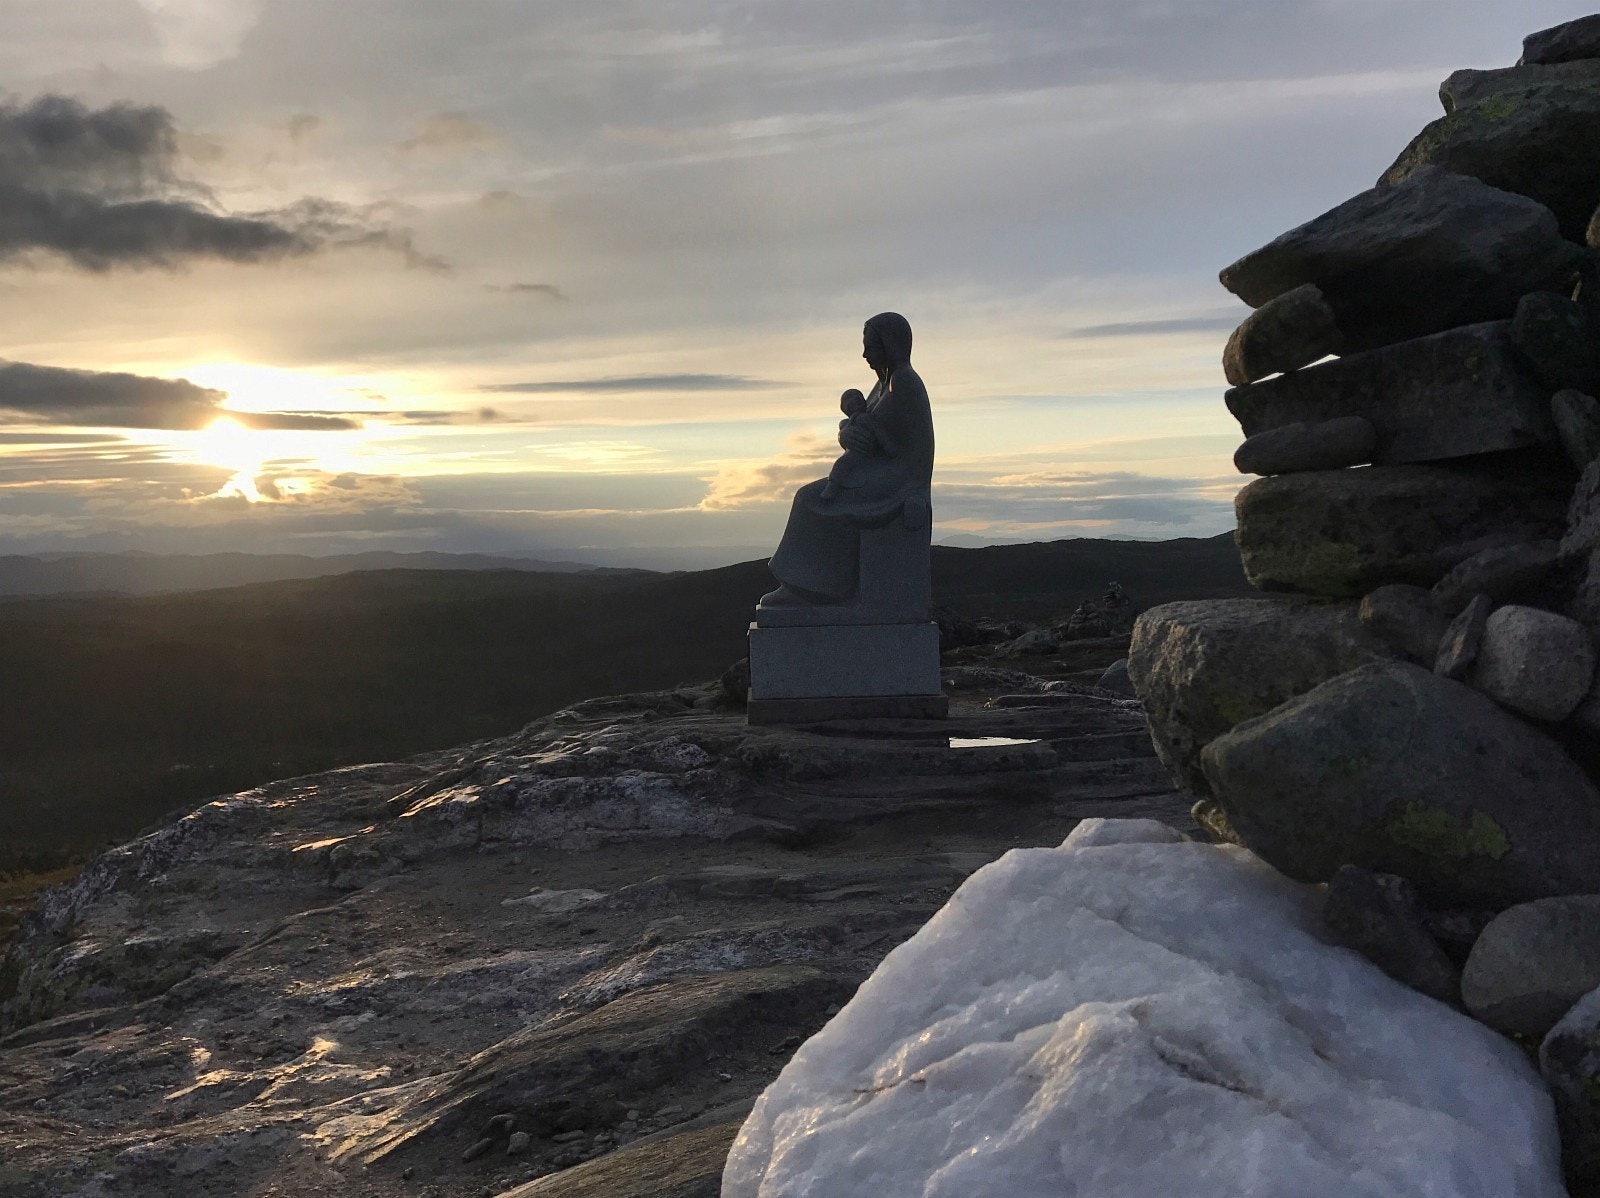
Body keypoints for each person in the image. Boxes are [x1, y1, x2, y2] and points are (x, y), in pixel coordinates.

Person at [761, 312, 934, 607]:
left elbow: (914, 446)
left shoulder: (904, 382)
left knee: (810, 501)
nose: (865, 353)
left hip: (899, 479)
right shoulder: (884, 383)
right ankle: (811, 586)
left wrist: (915, 491)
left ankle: (812, 590)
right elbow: (859, 422)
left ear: (890, 345)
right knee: (811, 497)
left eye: (872, 346)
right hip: (879, 470)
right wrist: (845, 436)